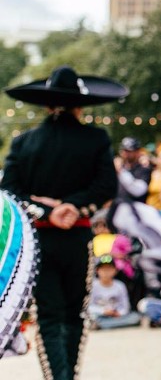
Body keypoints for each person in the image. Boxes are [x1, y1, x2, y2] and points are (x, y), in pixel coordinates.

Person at [1, 65, 126, 380]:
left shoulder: (25, 142)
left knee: (49, 314)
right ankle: (68, 374)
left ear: (46, 104)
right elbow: (106, 186)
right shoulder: (96, 139)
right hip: (77, 237)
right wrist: (76, 206)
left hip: (39, 242)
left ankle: (58, 376)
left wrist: (44, 210)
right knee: (74, 313)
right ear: (80, 105)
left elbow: (8, 189)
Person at [88, 255, 141, 330]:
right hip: (99, 315)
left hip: (116, 315)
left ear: (115, 270)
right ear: (97, 270)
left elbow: (125, 306)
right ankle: (104, 324)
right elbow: (89, 307)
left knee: (135, 317)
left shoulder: (120, 285)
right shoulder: (92, 285)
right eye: (103, 269)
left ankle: (103, 325)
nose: (106, 272)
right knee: (90, 317)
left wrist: (118, 313)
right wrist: (103, 311)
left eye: (109, 269)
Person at [115, 137, 151, 202]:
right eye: (123, 150)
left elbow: (138, 191)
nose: (125, 153)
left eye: (128, 151)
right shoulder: (120, 167)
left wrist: (120, 171)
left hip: (135, 210)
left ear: (137, 152)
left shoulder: (144, 170)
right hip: (119, 208)